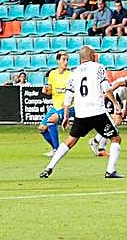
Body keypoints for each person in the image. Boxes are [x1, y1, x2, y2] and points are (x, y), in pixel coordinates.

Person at [39, 46, 122, 179]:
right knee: (115, 138)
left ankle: (49, 168)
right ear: (91, 55)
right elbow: (106, 87)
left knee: (70, 141)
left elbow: (68, 97)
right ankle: (110, 171)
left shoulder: (75, 72)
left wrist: (66, 116)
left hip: (81, 113)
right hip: (97, 111)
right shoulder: (98, 67)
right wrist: (116, 104)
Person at [38, 51, 73, 156]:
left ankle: (57, 150)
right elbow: (49, 91)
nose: (66, 62)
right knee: (42, 128)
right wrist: (45, 90)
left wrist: (67, 104)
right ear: (58, 61)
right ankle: (55, 148)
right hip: (56, 106)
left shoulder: (70, 75)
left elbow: (74, 93)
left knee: (51, 121)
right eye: (63, 59)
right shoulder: (52, 74)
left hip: (68, 106)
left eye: (67, 60)